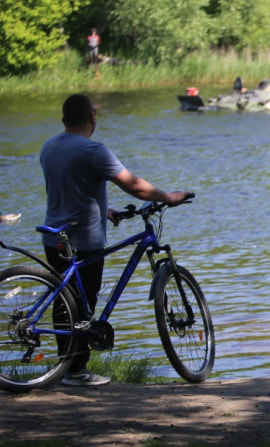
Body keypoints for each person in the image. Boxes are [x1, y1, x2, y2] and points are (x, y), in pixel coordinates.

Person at [40, 94, 191, 386]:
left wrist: (103, 209)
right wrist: (168, 197)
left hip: (53, 237)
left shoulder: (49, 147)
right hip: (84, 240)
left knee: (64, 303)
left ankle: (64, 368)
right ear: (92, 118)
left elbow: (68, 187)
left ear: (63, 120)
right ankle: (76, 372)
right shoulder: (93, 150)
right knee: (83, 307)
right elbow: (135, 187)